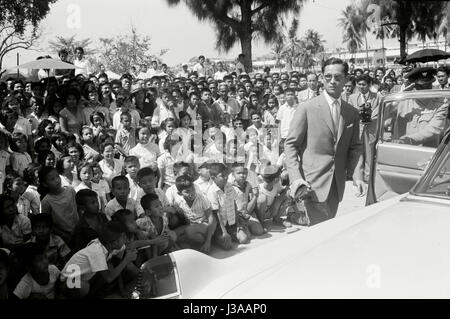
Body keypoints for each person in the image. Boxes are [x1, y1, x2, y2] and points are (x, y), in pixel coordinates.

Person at [284, 57, 366, 226]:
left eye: (337, 77)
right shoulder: (306, 108)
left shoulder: (351, 112)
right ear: (322, 78)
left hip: (336, 185)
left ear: (346, 79)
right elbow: (290, 144)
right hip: (310, 185)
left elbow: (355, 147)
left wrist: (358, 176)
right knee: (315, 234)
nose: (332, 81)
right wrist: (296, 178)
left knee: (328, 229)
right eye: (328, 77)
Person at [60, 221, 137, 299]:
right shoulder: (97, 252)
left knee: (106, 269)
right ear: (114, 243)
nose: (126, 239)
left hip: (82, 277)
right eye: (123, 237)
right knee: (85, 286)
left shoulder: (106, 245)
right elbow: (109, 278)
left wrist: (150, 242)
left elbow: (130, 245)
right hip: (67, 282)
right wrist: (126, 260)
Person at [207, 163, 249, 250]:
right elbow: (216, 213)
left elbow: (234, 205)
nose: (226, 177)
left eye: (226, 175)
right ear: (213, 178)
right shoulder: (212, 191)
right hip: (220, 225)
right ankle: (216, 237)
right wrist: (224, 232)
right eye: (222, 176)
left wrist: (238, 224)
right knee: (227, 247)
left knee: (244, 239)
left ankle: (230, 234)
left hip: (231, 222)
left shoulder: (229, 186)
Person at [172, 175, 216, 253]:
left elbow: (211, 218)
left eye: (192, 189)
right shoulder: (179, 201)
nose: (191, 193)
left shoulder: (202, 198)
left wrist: (208, 241)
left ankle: (184, 243)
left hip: (205, 227)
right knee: (172, 234)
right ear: (179, 193)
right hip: (191, 226)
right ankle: (183, 243)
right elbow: (175, 209)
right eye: (187, 192)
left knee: (189, 231)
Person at [39, 167, 79, 244]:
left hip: (78, 231)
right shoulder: (46, 201)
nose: (57, 180)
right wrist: (64, 235)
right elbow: (48, 223)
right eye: (52, 179)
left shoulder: (70, 190)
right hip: (64, 237)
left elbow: (78, 209)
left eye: (57, 176)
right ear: (45, 184)